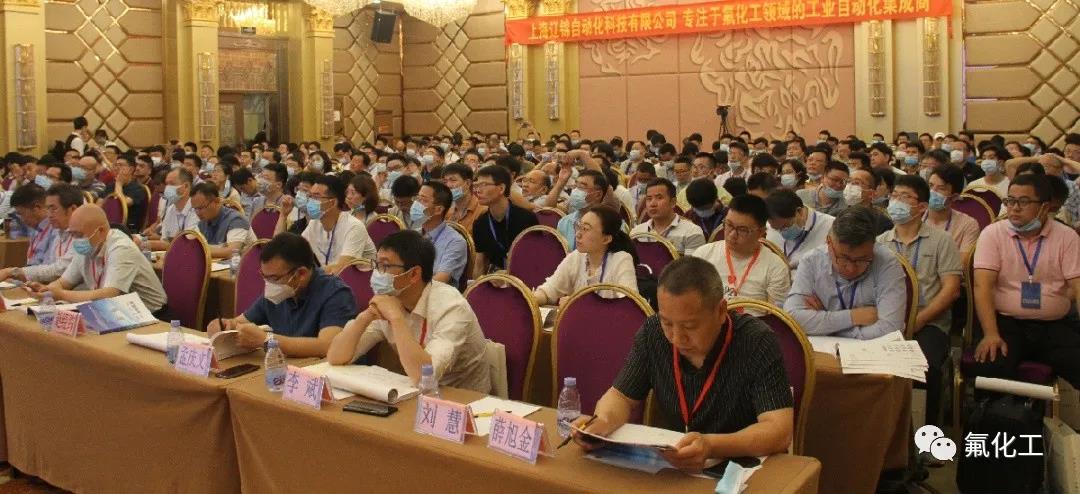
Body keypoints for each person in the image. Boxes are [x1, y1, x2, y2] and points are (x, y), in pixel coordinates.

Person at [572, 256, 793, 473]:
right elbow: (621, 396)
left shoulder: (756, 341)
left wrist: (711, 445)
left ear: (720, 311)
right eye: (667, 323)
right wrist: (602, 422)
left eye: (689, 326)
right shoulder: (653, 333)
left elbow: (779, 430)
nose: (676, 338)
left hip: (743, 470)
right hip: (676, 468)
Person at [327, 230, 491, 392]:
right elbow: (336, 357)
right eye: (376, 265)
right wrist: (364, 317)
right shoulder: (389, 298)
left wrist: (396, 318)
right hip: (415, 390)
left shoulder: (451, 307)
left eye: (385, 266)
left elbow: (425, 376)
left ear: (413, 274)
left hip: (462, 397)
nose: (377, 274)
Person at [970, 174, 1080, 388]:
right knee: (990, 365)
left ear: (1044, 207)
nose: (1014, 208)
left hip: (1053, 325)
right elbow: (983, 286)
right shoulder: (993, 233)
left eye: (1023, 202)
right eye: (1010, 201)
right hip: (1005, 323)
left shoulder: (1067, 237)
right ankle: (999, 409)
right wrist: (990, 333)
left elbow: (1078, 286)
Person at [878, 175, 962, 425]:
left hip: (929, 321)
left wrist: (919, 320)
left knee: (924, 366)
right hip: (888, 321)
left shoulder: (941, 241)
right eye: (894, 196)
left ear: (922, 207)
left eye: (905, 197)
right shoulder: (880, 242)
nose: (896, 202)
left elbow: (951, 290)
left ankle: (926, 433)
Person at [208, 233, 358, 357]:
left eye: (274, 278)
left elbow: (327, 346)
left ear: (301, 273)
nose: (269, 284)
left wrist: (268, 341)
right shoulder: (276, 292)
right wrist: (227, 325)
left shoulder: (336, 293)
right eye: (264, 277)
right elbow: (240, 322)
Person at [783, 206, 907, 339]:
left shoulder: (887, 263)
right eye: (843, 258)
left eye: (861, 260)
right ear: (828, 242)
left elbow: (891, 329)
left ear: (873, 246)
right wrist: (853, 317)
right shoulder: (811, 261)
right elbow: (792, 317)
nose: (851, 268)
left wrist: (823, 324)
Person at [27, 205, 167, 315]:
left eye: (79, 235)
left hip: (152, 315)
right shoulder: (87, 245)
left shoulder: (121, 248)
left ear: (101, 231)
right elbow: (63, 283)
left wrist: (61, 295)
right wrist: (46, 291)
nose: (75, 240)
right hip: (116, 311)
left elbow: (108, 295)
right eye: (72, 234)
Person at [690, 195, 790, 307]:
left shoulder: (775, 267)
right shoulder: (703, 255)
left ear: (761, 232)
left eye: (742, 230)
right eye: (729, 225)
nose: (732, 235)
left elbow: (775, 315)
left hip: (754, 317)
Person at [534, 206, 638, 306]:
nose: (578, 234)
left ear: (606, 239)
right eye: (579, 226)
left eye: (586, 229)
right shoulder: (576, 257)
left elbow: (629, 305)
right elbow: (550, 290)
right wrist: (532, 300)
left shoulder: (621, 260)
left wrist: (577, 305)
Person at [0, 184, 83, 284]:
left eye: (53, 209)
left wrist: (13, 273)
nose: (49, 215)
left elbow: (58, 270)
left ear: (73, 209)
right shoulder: (59, 231)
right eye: (48, 209)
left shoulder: (82, 235)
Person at [470, 164, 538, 276]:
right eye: (477, 185)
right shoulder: (480, 223)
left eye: (484, 185)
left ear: (501, 188)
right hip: (495, 279)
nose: (478, 190)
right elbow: (479, 265)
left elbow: (536, 261)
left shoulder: (526, 219)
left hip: (525, 278)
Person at [301, 175, 376, 272]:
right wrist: (283, 216)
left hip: (356, 279)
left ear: (332, 203)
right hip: (324, 277)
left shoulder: (354, 226)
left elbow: (341, 269)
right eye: (310, 196)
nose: (310, 201)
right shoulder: (314, 223)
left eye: (316, 197)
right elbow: (297, 252)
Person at [630, 178, 706, 254]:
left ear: (673, 202)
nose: (652, 204)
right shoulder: (636, 233)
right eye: (649, 199)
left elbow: (692, 262)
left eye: (659, 198)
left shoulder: (692, 232)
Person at [414, 181, 468, 286]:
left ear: (438, 209)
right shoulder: (414, 235)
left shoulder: (455, 242)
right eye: (417, 199)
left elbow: (440, 279)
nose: (416, 205)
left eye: (423, 200)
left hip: (437, 293)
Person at [765, 189, 835, 270]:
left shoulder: (831, 227)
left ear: (799, 211)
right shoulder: (770, 226)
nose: (782, 232)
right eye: (776, 229)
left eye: (785, 226)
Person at [926, 165, 980, 258]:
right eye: (930, 185)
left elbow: (963, 263)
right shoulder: (914, 216)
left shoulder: (968, 225)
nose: (932, 192)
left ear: (954, 197)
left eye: (941, 188)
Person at [191, 182, 255, 258]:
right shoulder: (203, 221)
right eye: (195, 209)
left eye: (201, 208)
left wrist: (199, 250)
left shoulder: (236, 220)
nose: (198, 213)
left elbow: (231, 252)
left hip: (247, 263)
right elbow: (189, 244)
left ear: (217, 201)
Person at [557, 168, 611, 250]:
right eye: (575, 186)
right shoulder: (565, 222)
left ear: (598, 195)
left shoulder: (611, 225)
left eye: (581, 187)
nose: (575, 191)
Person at [9, 183, 58, 268]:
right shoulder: (35, 228)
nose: (22, 219)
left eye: (21, 214)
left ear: (37, 208)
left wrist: (16, 273)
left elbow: (48, 269)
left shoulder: (55, 231)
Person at [846, 168, 893, 234]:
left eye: (856, 183)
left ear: (872, 193)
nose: (849, 186)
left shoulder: (881, 223)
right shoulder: (838, 213)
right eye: (848, 181)